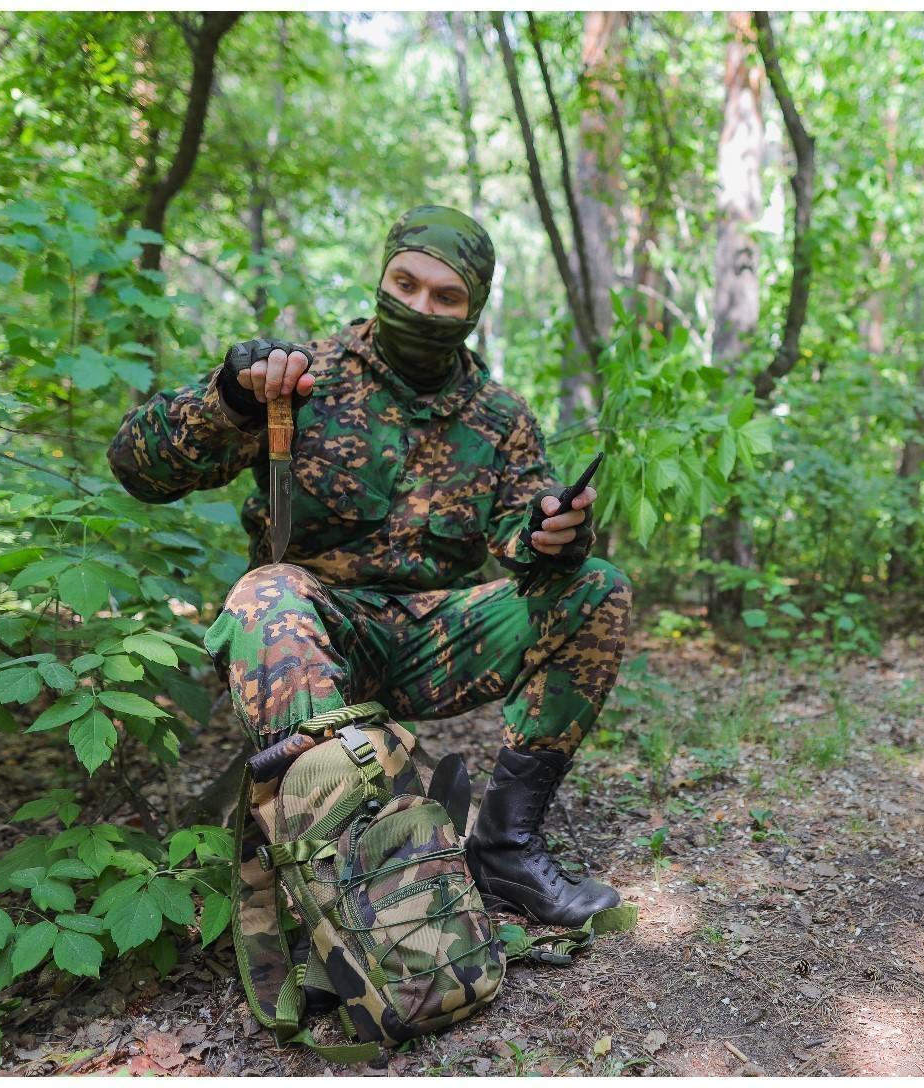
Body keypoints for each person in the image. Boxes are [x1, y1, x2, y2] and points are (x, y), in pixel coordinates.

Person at [107, 205, 629, 927]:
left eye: (447, 297)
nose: (421, 306)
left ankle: (505, 848)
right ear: (381, 278)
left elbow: (525, 533)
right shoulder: (300, 378)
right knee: (271, 592)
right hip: (309, 642)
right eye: (406, 283)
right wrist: (227, 397)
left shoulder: (500, 417)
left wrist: (556, 534)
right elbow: (138, 467)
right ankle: (352, 868)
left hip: (430, 644)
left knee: (598, 586)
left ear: (473, 308)